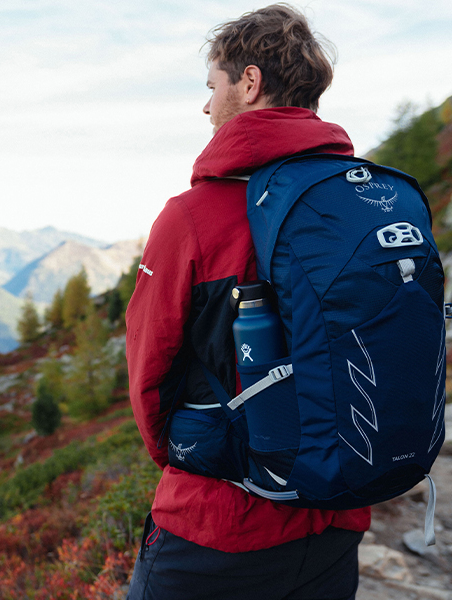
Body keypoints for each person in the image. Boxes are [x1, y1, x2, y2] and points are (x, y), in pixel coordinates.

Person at [125, 5, 370, 599]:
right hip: (336, 518)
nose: (206, 106)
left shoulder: (193, 217)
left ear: (250, 82)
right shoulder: (366, 201)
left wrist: (190, 455)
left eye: (212, 87)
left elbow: (149, 374)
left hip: (218, 526)